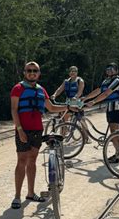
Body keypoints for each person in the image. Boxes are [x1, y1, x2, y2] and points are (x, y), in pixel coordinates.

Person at [10, 61, 77, 209]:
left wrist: (67, 107)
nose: (32, 73)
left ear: (39, 74)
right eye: (29, 70)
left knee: (32, 160)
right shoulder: (18, 88)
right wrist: (19, 129)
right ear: (24, 72)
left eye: (35, 71)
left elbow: (51, 107)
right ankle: (17, 196)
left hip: (37, 129)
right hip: (23, 129)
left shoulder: (41, 90)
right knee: (22, 160)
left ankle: (31, 193)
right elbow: (14, 110)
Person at [81, 62, 119, 161]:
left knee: (113, 132)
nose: (109, 70)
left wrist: (93, 102)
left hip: (116, 107)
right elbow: (99, 90)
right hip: (110, 108)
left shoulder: (117, 81)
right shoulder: (106, 81)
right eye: (108, 69)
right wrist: (86, 98)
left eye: (112, 68)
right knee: (114, 130)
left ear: (117, 70)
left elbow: (106, 93)